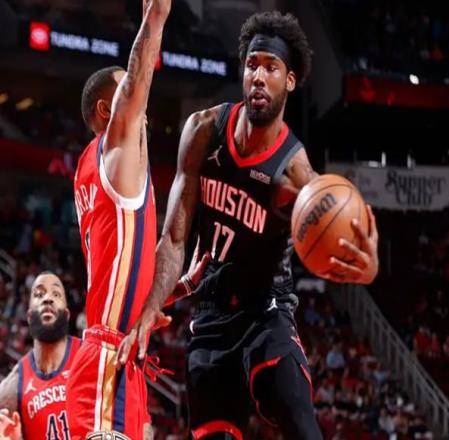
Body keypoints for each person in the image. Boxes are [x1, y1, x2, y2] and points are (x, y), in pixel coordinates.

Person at [118, 10, 379, 439]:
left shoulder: (296, 176)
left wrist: (366, 270)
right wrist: (150, 308)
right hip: (210, 315)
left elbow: (342, 244)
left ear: (289, 81)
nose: (258, 76)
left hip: (265, 314)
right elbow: (175, 238)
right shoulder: (203, 131)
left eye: (271, 68)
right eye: (252, 65)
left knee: (301, 423)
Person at [67, 0, 207, 438]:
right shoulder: (112, 150)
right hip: (106, 362)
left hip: (121, 358)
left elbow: (121, 263)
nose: (142, 101)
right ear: (106, 111)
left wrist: (173, 289)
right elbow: (138, 77)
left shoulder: (103, 172)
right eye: (127, 91)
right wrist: (155, 19)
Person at [0, 272, 80, 440]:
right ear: (29, 316)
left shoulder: (89, 355)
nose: (47, 299)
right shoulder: (16, 382)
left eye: (56, 294)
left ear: (67, 315)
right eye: (39, 294)